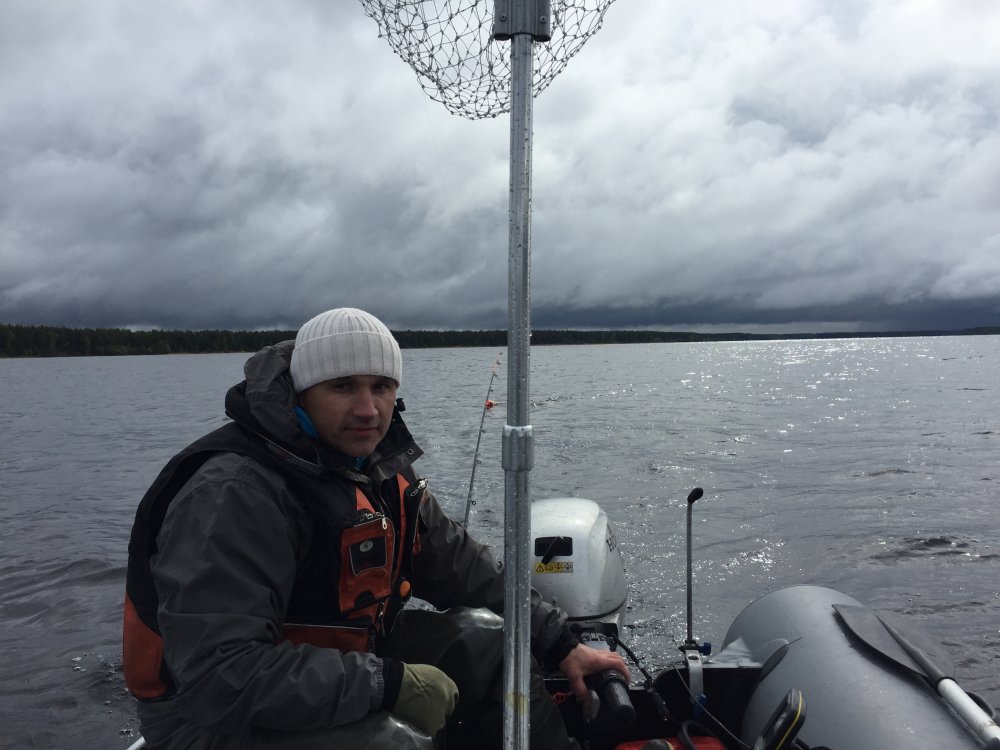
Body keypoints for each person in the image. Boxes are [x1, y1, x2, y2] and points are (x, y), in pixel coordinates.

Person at [123, 307, 629, 749]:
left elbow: (460, 563)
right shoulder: (235, 493)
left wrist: (560, 643)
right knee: (393, 743)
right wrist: (387, 684)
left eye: (381, 387)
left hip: (336, 665)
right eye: (343, 386)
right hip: (206, 723)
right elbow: (220, 676)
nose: (367, 410)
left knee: (492, 644)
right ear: (301, 393)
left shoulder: (374, 466)